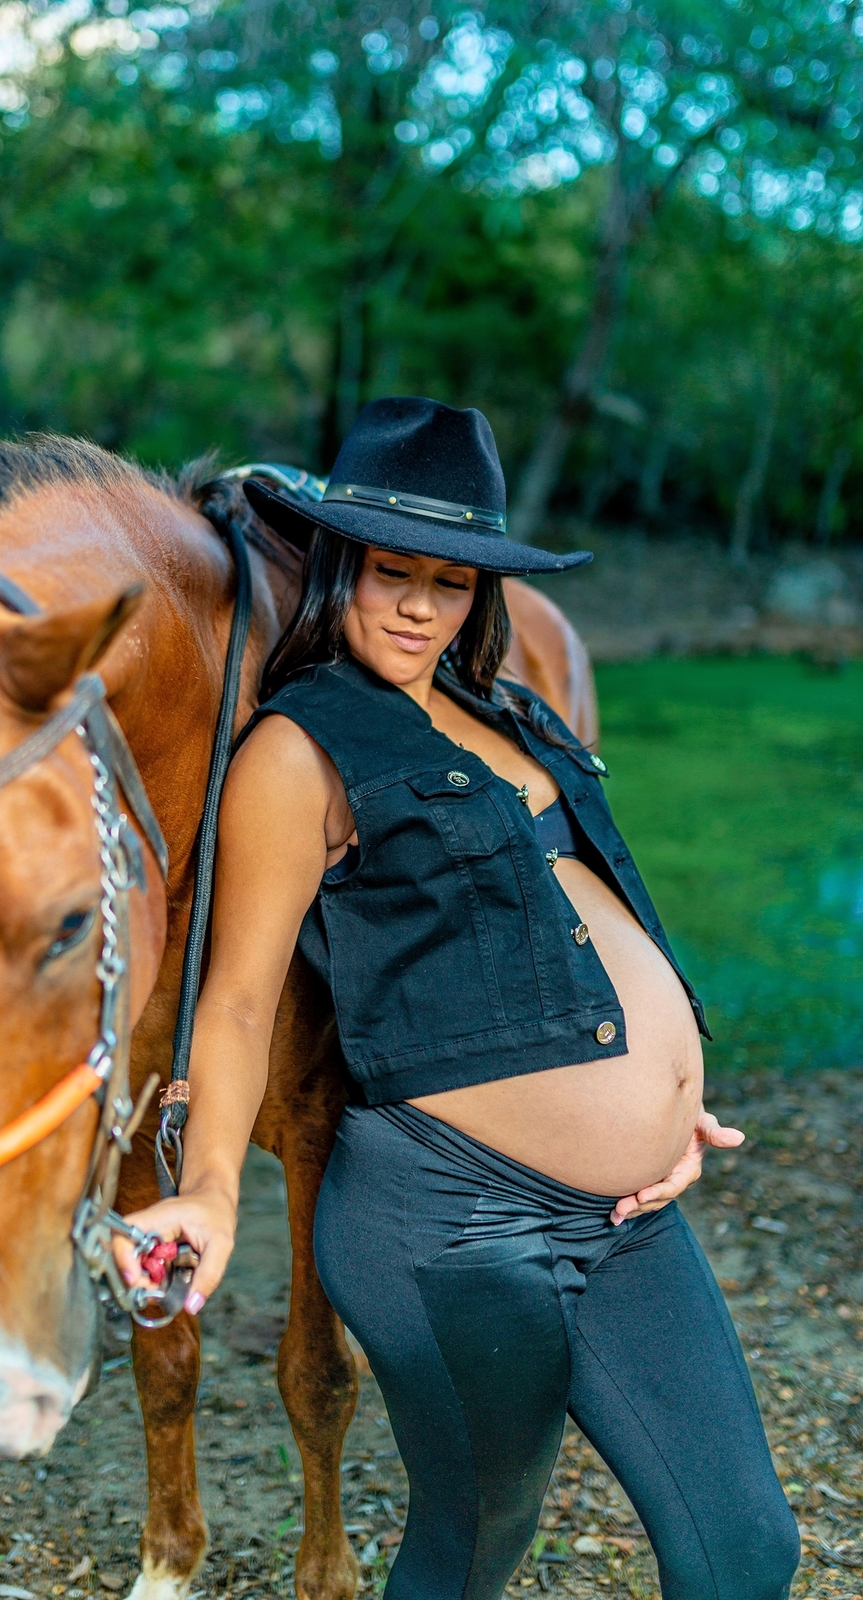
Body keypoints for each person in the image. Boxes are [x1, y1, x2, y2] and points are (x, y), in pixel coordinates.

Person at [117, 398, 799, 1600]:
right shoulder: (301, 750)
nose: (419, 605)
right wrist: (213, 1192)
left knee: (745, 1550)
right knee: (474, 1543)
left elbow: (583, 912)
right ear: (343, 565)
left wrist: (671, 1092)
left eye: (451, 579)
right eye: (391, 571)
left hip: (628, 1213)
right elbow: (232, 1001)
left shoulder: (509, 712)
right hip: (449, 1215)